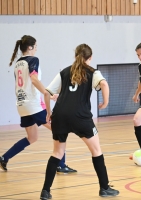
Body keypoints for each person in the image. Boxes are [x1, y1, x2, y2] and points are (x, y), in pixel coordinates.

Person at [40, 44, 119, 199]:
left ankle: (45, 191)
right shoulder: (92, 72)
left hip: (60, 116)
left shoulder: (64, 71)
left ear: (76, 55)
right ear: (90, 58)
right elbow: (104, 83)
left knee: (57, 153)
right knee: (96, 151)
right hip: (80, 117)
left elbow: (47, 93)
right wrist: (105, 102)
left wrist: (49, 113)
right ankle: (104, 188)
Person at [0, 35, 77, 174]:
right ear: (30, 47)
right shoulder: (33, 60)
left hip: (21, 105)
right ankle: (61, 164)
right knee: (59, 129)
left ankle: (4, 157)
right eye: (35, 47)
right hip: (32, 104)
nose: (36, 50)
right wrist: (48, 93)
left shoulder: (18, 63)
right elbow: (34, 79)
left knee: (32, 137)